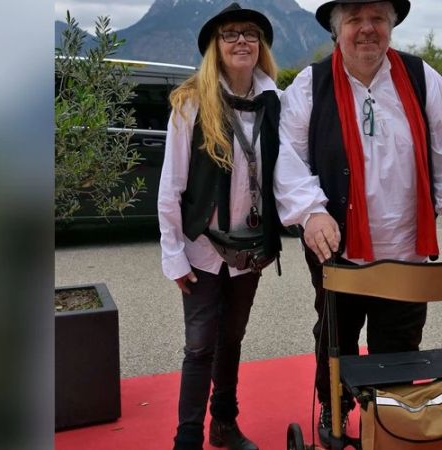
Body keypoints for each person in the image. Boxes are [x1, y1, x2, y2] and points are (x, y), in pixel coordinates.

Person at [273, 0, 442, 446]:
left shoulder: (419, 77)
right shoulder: (310, 85)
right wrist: (311, 211)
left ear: (391, 27)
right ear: (338, 30)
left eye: (377, 19)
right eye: (355, 19)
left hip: (406, 246)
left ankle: (392, 422)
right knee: (335, 336)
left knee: (400, 342)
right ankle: (333, 405)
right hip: (337, 246)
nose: (367, 29)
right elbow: (287, 157)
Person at [157, 3, 282, 450]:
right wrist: (172, 255)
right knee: (199, 347)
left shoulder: (273, 101)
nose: (241, 41)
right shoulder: (191, 103)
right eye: (230, 34)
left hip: (249, 249)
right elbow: (170, 186)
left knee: (232, 341)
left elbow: (282, 176)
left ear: (260, 46)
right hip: (202, 250)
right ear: (216, 46)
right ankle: (187, 437)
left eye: (250, 33)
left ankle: (223, 425)